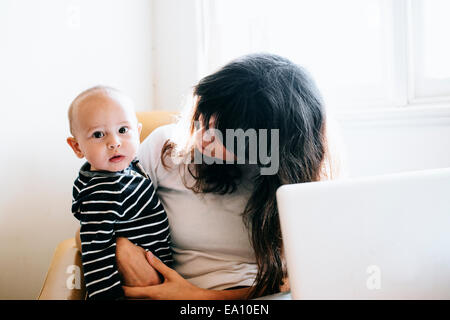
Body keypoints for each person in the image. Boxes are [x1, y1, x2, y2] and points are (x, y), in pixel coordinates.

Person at [109, 53, 343, 300]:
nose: (202, 137)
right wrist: (121, 249)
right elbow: (96, 218)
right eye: (203, 118)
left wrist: (199, 297)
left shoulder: (303, 179)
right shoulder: (164, 147)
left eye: (223, 136)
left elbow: (305, 277)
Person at [66, 86, 173, 299]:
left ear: (138, 132)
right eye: (98, 134)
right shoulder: (102, 192)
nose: (114, 142)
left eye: (123, 130)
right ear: (77, 147)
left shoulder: (126, 168)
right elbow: (96, 254)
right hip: (137, 287)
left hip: (158, 271)